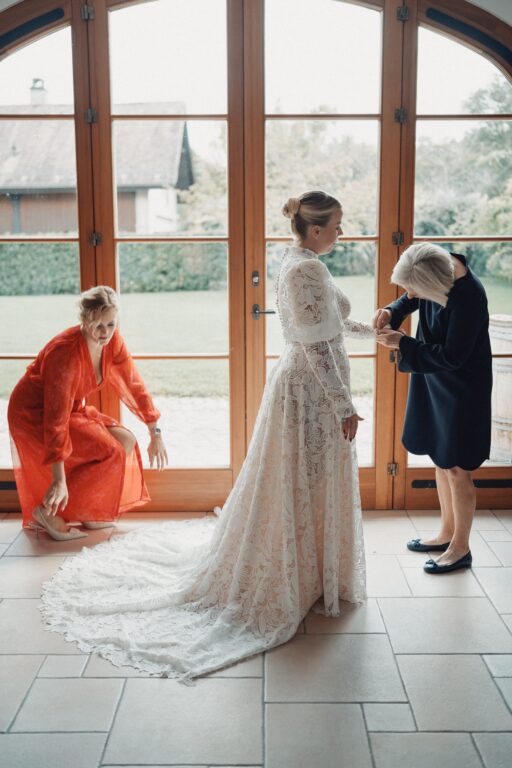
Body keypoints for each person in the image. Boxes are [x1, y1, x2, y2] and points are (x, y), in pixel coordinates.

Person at [39, 191, 374, 680]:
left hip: (310, 390)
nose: (343, 232)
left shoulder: (301, 262)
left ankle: (313, 571)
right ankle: (299, 575)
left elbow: (333, 324)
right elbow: (316, 344)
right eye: (338, 225)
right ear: (316, 228)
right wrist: (344, 404)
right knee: (305, 479)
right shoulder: (306, 269)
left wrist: (376, 331)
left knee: (309, 480)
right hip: (311, 395)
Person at [8, 286, 168, 541]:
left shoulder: (112, 341)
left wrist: (154, 429)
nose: (105, 333)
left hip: (72, 408)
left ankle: (84, 509)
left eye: (111, 324)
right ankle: (47, 512)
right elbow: (55, 420)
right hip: (34, 413)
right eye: (98, 325)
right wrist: (58, 478)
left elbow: (133, 383)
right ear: (84, 320)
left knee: (126, 441)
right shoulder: (66, 354)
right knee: (110, 449)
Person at [375, 242, 492, 574]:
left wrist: (404, 344)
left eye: (415, 288)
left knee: (458, 467)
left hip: (462, 386)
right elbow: (411, 296)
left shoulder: (469, 297)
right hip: (433, 375)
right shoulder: (437, 264)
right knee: (441, 460)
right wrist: (391, 311)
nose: (410, 293)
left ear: (436, 283)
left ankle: (461, 547)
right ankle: (444, 533)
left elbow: (454, 357)